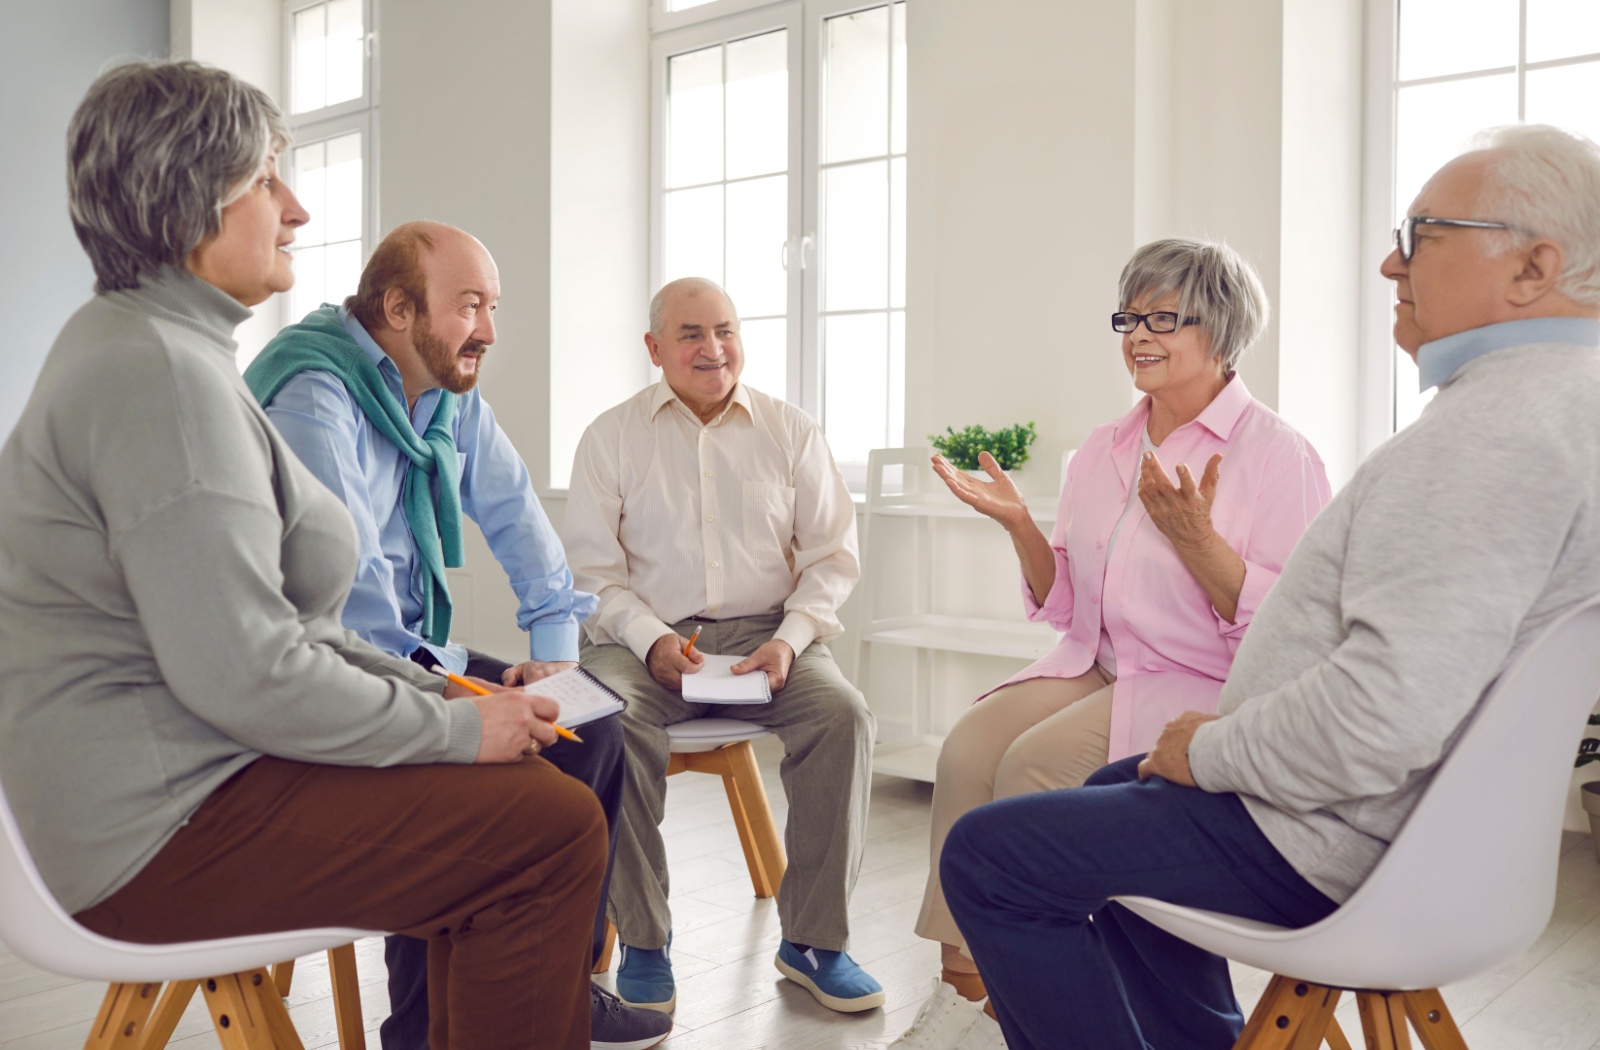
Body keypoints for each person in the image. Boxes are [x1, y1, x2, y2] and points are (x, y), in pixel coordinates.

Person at [938, 123, 1600, 1050]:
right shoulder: (1553, 406)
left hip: (1331, 834)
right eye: (1130, 317)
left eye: (1420, 237)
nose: (1386, 264)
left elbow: (1377, 720)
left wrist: (1212, 751)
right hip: (1383, 822)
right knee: (1113, 784)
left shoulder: (1487, 438)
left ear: (1532, 268)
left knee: (993, 856)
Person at [0, 60, 609, 1049]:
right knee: (543, 834)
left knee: (529, 798)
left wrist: (452, 704)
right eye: (265, 180)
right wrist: (458, 729)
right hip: (152, 830)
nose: (297, 208)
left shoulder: (166, 349)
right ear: (188, 197)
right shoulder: (160, 376)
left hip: (174, 784)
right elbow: (248, 670)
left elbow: (287, 634)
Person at [888, 237, 1331, 1050]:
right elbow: (1066, 601)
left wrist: (1199, 542)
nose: (1139, 334)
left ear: (1223, 331)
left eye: (1165, 316)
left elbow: (1291, 633)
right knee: (966, 750)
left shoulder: (1277, 457)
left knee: (1030, 767)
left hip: (1200, 684)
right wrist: (1021, 524)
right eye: (1130, 315)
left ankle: (1028, 984)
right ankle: (967, 993)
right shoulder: (1106, 446)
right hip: (1100, 662)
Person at [245, 222, 666, 1050]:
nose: (491, 331)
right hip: (324, 671)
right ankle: (420, 1029)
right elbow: (348, 605)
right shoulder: (313, 396)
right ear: (399, 309)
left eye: (493, 306)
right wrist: (463, 706)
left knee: (590, 726)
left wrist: (553, 662)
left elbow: (523, 529)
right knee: (468, 775)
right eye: (471, 305)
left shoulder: (441, 395)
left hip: (408, 652)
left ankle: (562, 989)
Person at [562, 277, 882, 1015]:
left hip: (769, 635)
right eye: (690, 334)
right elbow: (591, 576)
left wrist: (791, 641)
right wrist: (651, 642)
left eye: (726, 330)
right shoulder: (610, 436)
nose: (713, 349)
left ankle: (813, 942)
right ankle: (645, 939)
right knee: (608, 723)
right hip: (638, 636)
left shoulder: (790, 429)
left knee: (844, 716)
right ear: (653, 349)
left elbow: (832, 559)